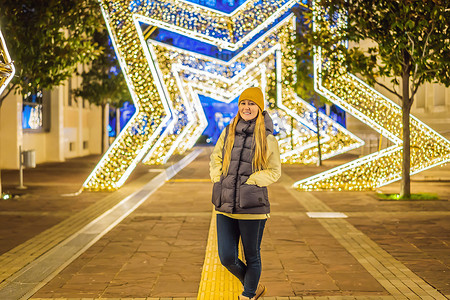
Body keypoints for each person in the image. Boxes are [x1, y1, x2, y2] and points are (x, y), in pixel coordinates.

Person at [209, 86, 282, 300]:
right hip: (225, 204)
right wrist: (217, 178)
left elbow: (275, 171)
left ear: (259, 108)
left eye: (251, 104)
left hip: (252, 207)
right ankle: (254, 285)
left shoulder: (267, 138)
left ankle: (248, 294)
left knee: (252, 256)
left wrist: (252, 182)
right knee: (227, 257)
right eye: (243, 103)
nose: (246, 107)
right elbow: (215, 158)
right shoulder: (228, 131)